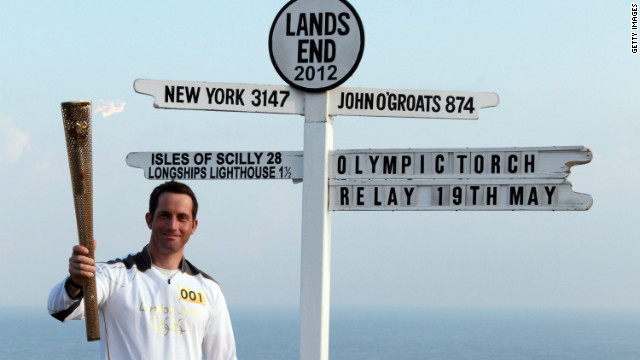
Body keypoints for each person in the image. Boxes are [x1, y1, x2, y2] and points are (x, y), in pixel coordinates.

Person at [48, 181, 237, 360]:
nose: (172, 226)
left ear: (193, 226)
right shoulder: (113, 276)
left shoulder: (209, 290)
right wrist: (75, 283)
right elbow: (60, 310)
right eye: (164, 215)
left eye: (182, 217)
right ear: (149, 220)